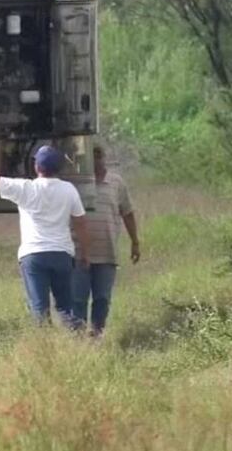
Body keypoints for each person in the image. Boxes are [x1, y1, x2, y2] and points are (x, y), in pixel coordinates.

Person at [0, 137, 91, 327]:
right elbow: (81, 223)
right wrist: (85, 254)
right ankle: (74, 339)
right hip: (62, 254)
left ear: (36, 167)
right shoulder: (69, 190)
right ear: (58, 168)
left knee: (39, 309)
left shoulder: (25, 188)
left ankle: (42, 342)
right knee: (66, 308)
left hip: (34, 256)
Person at [70, 144, 141, 337]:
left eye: (99, 156)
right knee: (78, 298)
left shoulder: (116, 183)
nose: (96, 161)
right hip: (78, 252)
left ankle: (97, 334)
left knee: (102, 298)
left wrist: (135, 242)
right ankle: (77, 338)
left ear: (104, 158)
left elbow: (127, 213)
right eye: (91, 158)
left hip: (107, 252)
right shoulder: (75, 183)